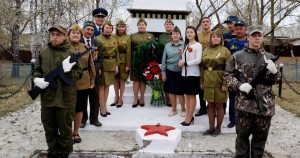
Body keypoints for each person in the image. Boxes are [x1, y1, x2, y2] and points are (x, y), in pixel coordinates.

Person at [224, 25, 280, 158]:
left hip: (264, 106)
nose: (256, 38)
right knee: (242, 139)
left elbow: (277, 80)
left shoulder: (269, 57)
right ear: (248, 37)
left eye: (259, 35)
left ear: (262, 37)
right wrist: (239, 85)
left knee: (259, 142)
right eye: (253, 35)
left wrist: (275, 72)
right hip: (245, 105)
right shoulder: (237, 56)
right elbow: (227, 75)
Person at [32, 24, 83, 158]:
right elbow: (37, 69)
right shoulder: (43, 52)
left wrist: (68, 73)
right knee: (49, 128)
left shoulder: (71, 52)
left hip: (66, 98)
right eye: (52, 34)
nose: (54, 37)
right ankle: (52, 153)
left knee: (65, 130)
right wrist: (36, 79)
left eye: (58, 35)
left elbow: (79, 72)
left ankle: (64, 154)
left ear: (65, 36)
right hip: (48, 97)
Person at [68, 24, 96, 144]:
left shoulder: (85, 47)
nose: (75, 34)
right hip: (67, 81)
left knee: (80, 108)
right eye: (73, 32)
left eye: (77, 33)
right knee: (68, 108)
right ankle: (68, 133)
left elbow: (91, 65)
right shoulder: (63, 48)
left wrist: (92, 79)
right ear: (68, 35)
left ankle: (76, 132)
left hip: (83, 81)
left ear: (80, 35)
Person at [201, 31, 231, 136]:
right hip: (208, 79)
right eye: (213, 37)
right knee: (210, 106)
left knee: (219, 106)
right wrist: (202, 81)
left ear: (221, 39)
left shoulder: (225, 51)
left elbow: (229, 68)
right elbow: (202, 66)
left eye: (218, 37)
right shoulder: (206, 50)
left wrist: (225, 83)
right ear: (211, 39)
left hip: (219, 80)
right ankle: (211, 128)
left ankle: (218, 128)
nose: (215, 38)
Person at [80, 21, 103, 128]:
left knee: (94, 98)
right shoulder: (78, 43)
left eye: (92, 30)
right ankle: (83, 119)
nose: (89, 31)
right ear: (83, 30)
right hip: (82, 76)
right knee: (82, 99)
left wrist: (93, 69)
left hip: (94, 76)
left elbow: (100, 59)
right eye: (87, 29)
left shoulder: (97, 44)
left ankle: (94, 119)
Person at [178, 26, 202, 126]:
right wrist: (181, 60)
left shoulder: (198, 45)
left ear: (195, 34)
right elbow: (184, 59)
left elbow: (198, 60)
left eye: (191, 32)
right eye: (187, 32)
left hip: (193, 74)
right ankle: (188, 115)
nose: (189, 34)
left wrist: (186, 63)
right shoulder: (186, 45)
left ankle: (189, 116)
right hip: (184, 74)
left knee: (192, 96)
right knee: (187, 95)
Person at [226, 19, 248, 128]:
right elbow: (227, 59)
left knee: (247, 98)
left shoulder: (250, 42)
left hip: (247, 76)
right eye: (237, 29)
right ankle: (232, 120)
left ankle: (245, 119)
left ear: (246, 30)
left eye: (241, 29)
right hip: (234, 75)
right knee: (233, 98)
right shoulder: (230, 43)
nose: (239, 31)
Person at [95, 21, 119, 117]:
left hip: (112, 64)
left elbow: (116, 52)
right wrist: (98, 67)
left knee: (107, 86)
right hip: (102, 64)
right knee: (101, 86)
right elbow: (96, 54)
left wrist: (117, 65)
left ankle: (104, 106)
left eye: (110, 28)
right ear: (103, 29)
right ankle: (102, 108)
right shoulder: (98, 39)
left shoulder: (113, 39)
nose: (108, 29)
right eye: (107, 28)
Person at [161, 26, 186, 117]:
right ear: (171, 36)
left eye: (177, 34)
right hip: (170, 70)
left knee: (180, 91)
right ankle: (174, 109)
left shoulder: (184, 45)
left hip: (181, 71)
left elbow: (187, 57)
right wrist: (163, 73)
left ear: (180, 35)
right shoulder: (167, 46)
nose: (175, 35)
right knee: (171, 91)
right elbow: (164, 60)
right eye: (174, 34)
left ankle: (183, 109)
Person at [130, 18, 155, 108]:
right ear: (137, 26)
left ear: (145, 26)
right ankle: (135, 99)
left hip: (145, 60)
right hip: (135, 59)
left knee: (143, 80)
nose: (141, 26)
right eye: (139, 25)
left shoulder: (150, 35)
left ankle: (142, 98)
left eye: (143, 25)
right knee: (136, 80)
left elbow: (153, 48)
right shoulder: (132, 36)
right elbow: (130, 48)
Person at [111, 20, 131, 108]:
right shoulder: (112, 36)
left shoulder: (127, 37)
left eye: (123, 26)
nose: (121, 28)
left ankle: (120, 99)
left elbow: (128, 51)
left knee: (122, 80)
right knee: (115, 80)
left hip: (123, 61)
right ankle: (116, 97)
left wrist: (127, 65)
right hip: (114, 60)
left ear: (125, 28)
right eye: (119, 26)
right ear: (117, 27)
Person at [195, 17, 212, 117]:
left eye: (207, 22)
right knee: (201, 86)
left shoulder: (214, 35)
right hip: (200, 63)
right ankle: (202, 108)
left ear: (210, 23)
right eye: (203, 22)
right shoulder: (198, 35)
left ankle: (211, 107)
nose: (205, 23)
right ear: (201, 24)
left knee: (210, 85)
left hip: (211, 63)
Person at [158, 18, 175, 107]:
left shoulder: (176, 35)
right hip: (164, 60)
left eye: (170, 24)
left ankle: (174, 99)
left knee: (174, 81)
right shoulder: (161, 37)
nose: (168, 25)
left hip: (175, 61)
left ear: (173, 26)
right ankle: (168, 99)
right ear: (164, 26)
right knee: (166, 81)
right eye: (166, 24)